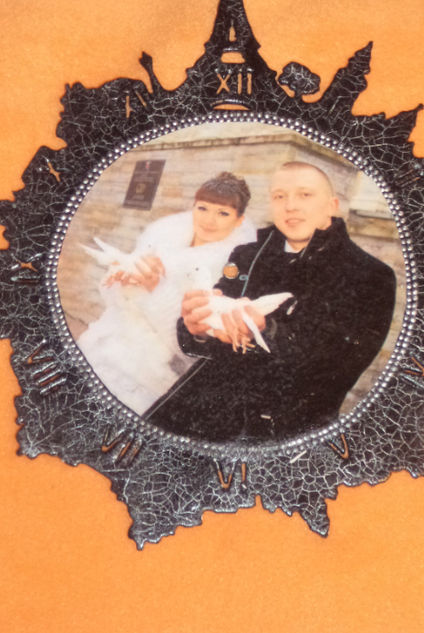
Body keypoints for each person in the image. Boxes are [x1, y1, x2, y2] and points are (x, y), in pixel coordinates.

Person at [145, 162, 397, 442]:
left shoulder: (370, 274)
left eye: (304, 195)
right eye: (279, 196)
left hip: (276, 433)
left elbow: (335, 371)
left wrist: (264, 331)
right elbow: (201, 338)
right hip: (196, 411)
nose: (290, 206)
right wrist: (198, 328)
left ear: (332, 205)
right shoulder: (246, 255)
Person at [76, 172, 256, 415]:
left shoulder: (228, 271)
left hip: (143, 373)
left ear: (239, 220)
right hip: (101, 346)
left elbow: (191, 350)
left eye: (223, 213)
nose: (209, 220)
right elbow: (114, 300)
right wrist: (121, 279)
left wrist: (156, 289)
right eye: (203, 208)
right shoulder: (164, 239)